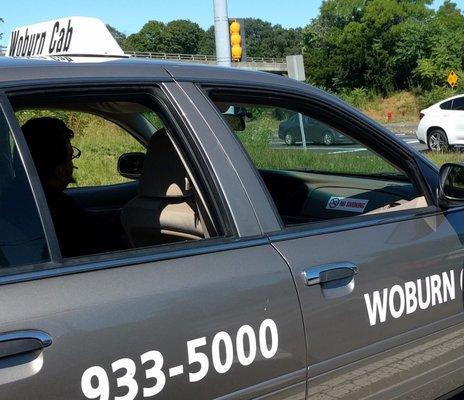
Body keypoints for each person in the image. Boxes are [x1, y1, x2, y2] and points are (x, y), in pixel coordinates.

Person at [22, 117, 126, 258]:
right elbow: (111, 243)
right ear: (59, 170)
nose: (73, 166)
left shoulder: (15, 201)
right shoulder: (62, 211)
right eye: (70, 158)